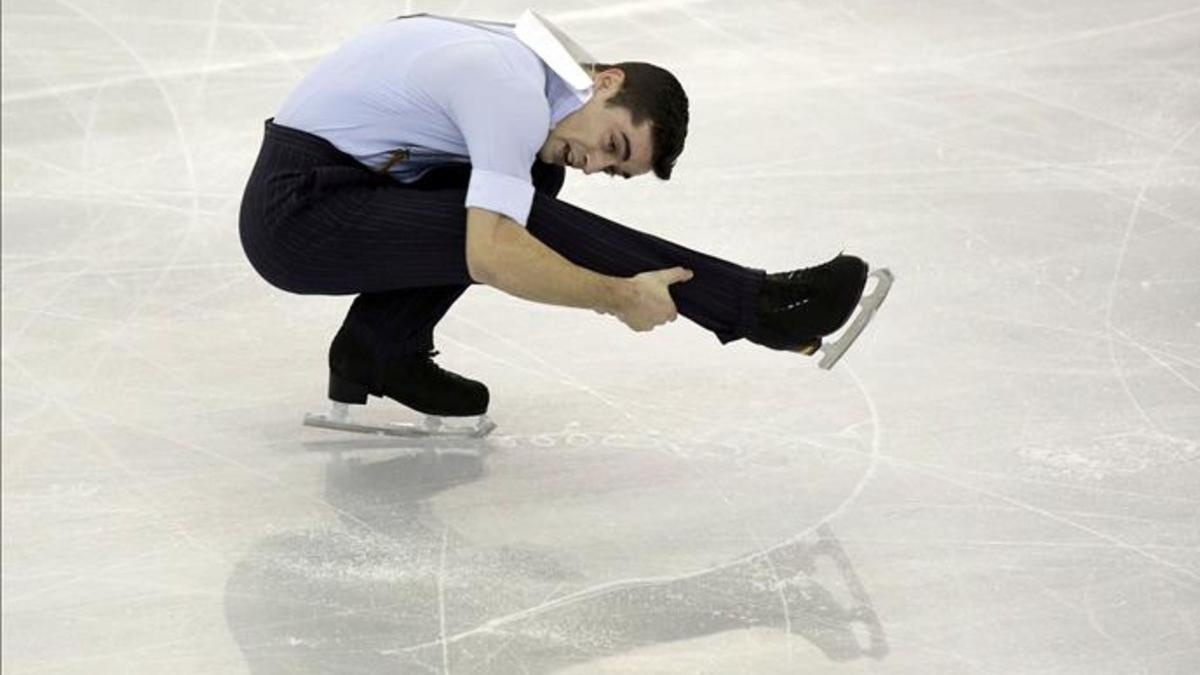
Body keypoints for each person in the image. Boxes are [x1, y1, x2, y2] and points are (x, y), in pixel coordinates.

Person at [239, 10, 880, 429]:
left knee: (535, 178)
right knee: (515, 215)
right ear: (607, 82)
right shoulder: (509, 88)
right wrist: (617, 296)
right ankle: (758, 305)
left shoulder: (542, 78)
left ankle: (377, 351)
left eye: (614, 169)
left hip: (350, 179)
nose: (596, 165)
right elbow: (492, 253)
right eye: (614, 145)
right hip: (297, 214)